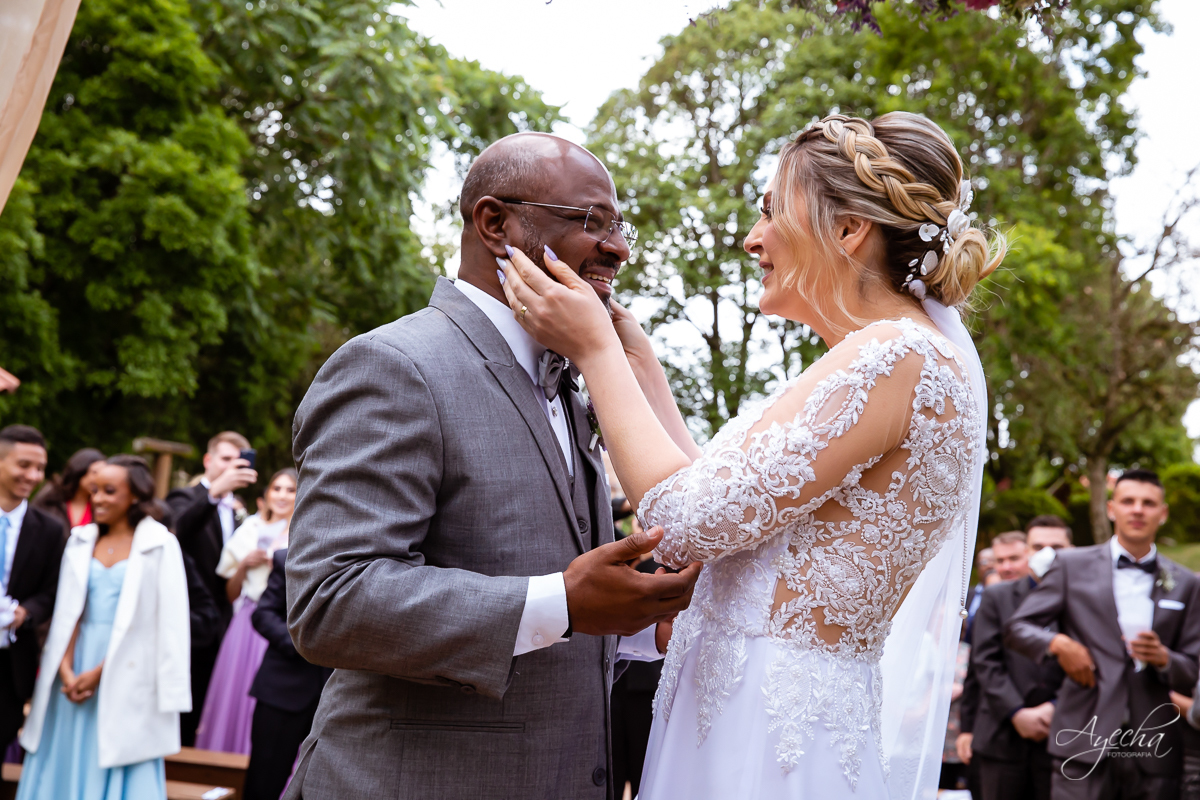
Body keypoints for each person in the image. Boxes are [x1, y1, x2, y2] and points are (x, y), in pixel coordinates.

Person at [499, 111, 999, 797]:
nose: (751, 238)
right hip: (770, 714)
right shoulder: (901, 359)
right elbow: (730, 502)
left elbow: (682, 519)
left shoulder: (894, 357)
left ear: (850, 230)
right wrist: (639, 365)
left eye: (770, 211)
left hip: (765, 738)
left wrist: (593, 350)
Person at [285, 132, 699, 800]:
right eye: (590, 221)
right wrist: (560, 603)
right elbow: (330, 600)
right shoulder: (395, 366)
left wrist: (636, 620)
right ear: (494, 222)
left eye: (619, 227)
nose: (617, 248)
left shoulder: (572, 380)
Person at [1007, 469, 1200, 800]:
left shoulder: (1186, 582)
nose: (1137, 509)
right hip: (1082, 739)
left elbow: (1194, 669)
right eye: (1128, 501)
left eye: (1148, 503)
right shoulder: (1070, 565)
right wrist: (1059, 643)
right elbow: (1017, 627)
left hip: (1155, 746)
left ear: (1162, 513)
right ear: (1112, 509)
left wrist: (1165, 658)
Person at [16, 455, 190, 800]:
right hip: (73, 666)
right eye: (95, 490)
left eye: (110, 491)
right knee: (62, 756)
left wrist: (99, 673)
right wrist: (66, 669)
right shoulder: (80, 540)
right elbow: (68, 613)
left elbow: (170, 624)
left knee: (116, 752)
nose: (98, 499)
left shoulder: (160, 544)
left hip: (128, 669)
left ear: (136, 496)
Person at [195, 468, 296, 754]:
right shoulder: (249, 530)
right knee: (236, 693)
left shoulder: (306, 533)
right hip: (247, 623)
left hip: (284, 623)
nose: (282, 495)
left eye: (290, 490)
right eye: (277, 488)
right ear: (267, 493)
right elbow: (230, 594)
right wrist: (244, 565)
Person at [166, 430, 257, 746]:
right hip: (186, 616)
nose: (232, 466)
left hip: (223, 620)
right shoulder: (184, 497)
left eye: (238, 461)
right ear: (208, 460)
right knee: (180, 707)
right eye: (225, 459)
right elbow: (176, 533)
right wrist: (214, 492)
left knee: (206, 704)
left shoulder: (238, 510)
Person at [967, 529, 1068, 800]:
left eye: (1057, 545)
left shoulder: (1083, 595)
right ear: (1029, 551)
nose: (1048, 553)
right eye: (1038, 546)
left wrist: (1055, 707)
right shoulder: (996, 596)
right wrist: (1016, 711)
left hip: (1061, 734)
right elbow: (983, 662)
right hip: (1002, 734)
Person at [243, 549, 331, 800]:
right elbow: (263, 614)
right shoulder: (286, 558)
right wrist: (302, 644)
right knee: (263, 783)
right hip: (282, 691)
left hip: (336, 697)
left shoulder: (366, 562)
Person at [0, 426, 65, 751]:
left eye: (39, 468)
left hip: (10, 663)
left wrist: (25, 613)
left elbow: (52, 593)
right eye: (23, 465)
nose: (33, 475)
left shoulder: (51, 529)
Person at [32, 448, 106, 536]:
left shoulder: (100, 505)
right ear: (80, 469)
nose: (98, 479)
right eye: (94, 473)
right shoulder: (52, 493)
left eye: (102, 474)